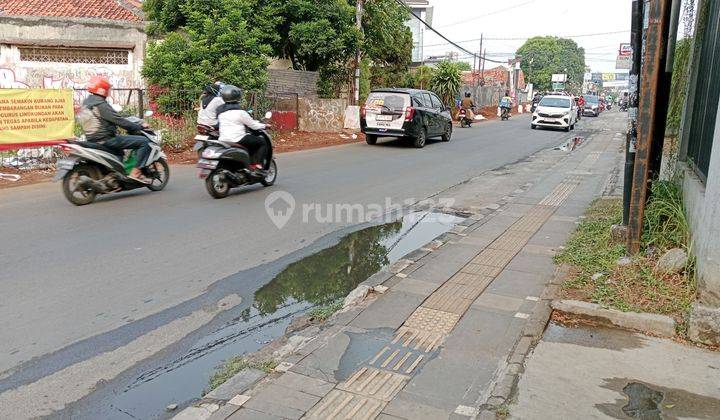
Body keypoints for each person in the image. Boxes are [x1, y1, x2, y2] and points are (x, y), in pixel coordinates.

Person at [78, 76, 152, 183]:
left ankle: (117, 175)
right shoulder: (100, 104)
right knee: (144, 142)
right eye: (108, 89)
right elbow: (119, 120)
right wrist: (138, 127)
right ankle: (135, 173)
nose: (109, 91)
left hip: (92, 139)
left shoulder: (86, 103)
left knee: (120, 151)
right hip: (107, 139)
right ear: (103, 90)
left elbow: (113, 117)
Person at [216, 85, 269, 174]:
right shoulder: (240, 112)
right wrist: (265, 126)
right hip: (238, 138)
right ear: (237, 97)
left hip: (223, 139)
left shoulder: (220, 112)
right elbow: (253, 125)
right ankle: (258, 166)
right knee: (262, 142)